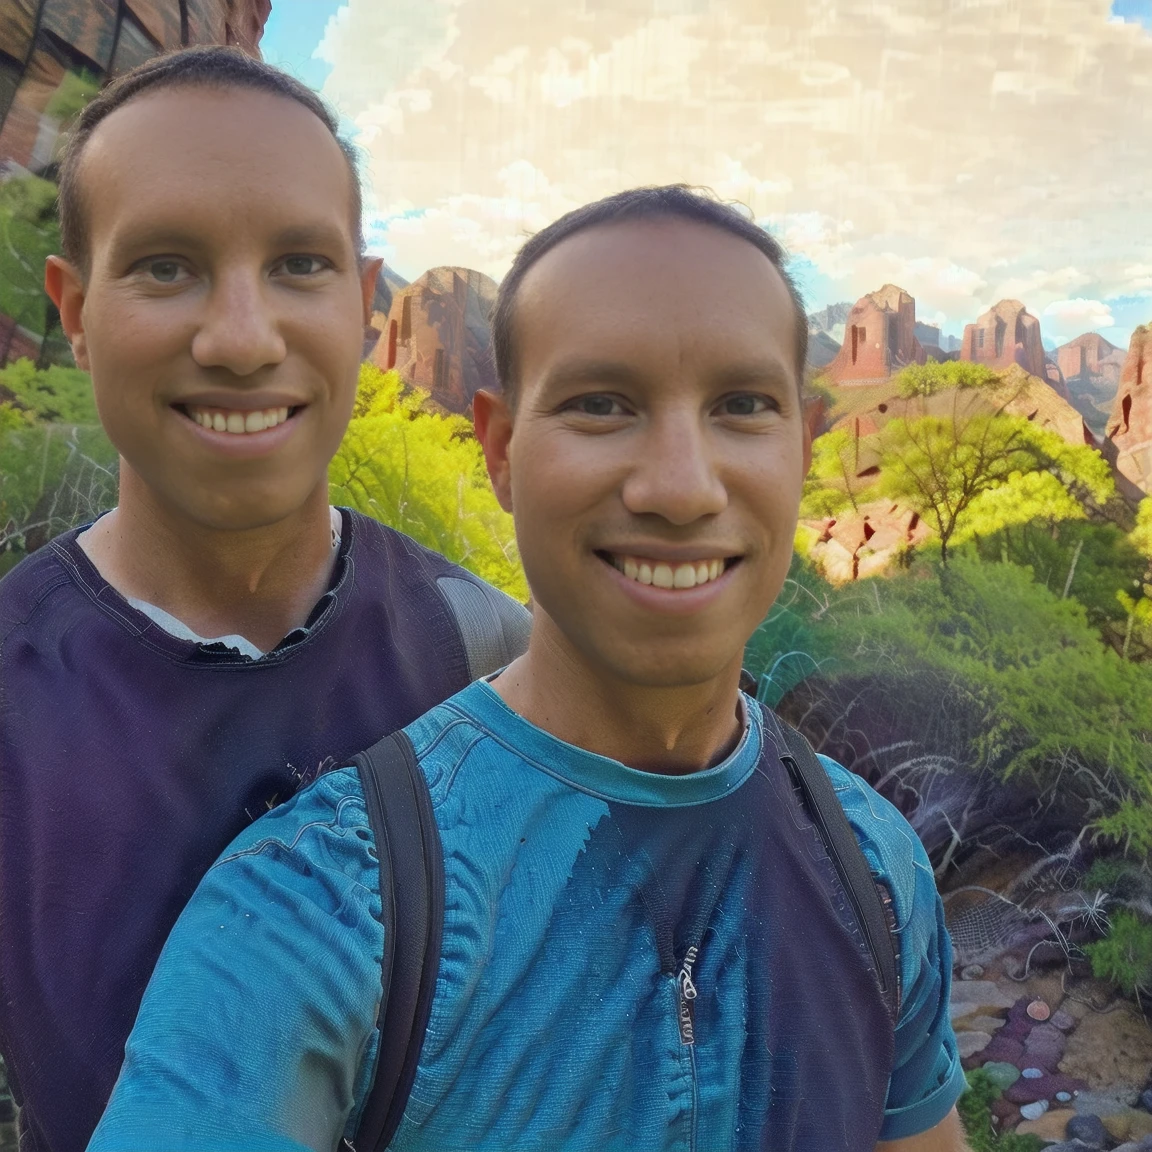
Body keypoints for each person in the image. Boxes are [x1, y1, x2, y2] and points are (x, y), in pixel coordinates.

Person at [88, 186, 970, 1151]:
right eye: (602, 406)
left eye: (742, 407)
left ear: (805, 448)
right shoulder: (322, 901)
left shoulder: (875, 864)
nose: (680, 487)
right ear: (501, 451)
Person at [0, 47, 529, 1152]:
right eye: (164, 266)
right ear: (76, 310)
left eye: (298, 264)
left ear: (367, 306)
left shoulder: (488, 658)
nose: (242, 338)